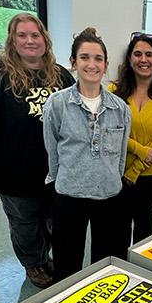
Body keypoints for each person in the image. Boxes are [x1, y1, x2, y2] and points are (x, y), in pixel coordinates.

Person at [0, 13, 75, 288]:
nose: (29, 41)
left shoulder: (60, 75)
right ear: (12, 41)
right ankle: (34, 263)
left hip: (55, 172)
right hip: (15, 175)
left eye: (35, 35)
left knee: (52, 220)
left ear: (44, 40)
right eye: (22, 35)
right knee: (25, 224)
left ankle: (45, 256)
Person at [45, 27, 130, 282]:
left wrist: (112, 179)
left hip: (108, 193)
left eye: (98, 59)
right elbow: (52, 150)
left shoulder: (120, 108)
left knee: (106, 262)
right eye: (84, 57)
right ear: (73, 62)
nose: (91, 64)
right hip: (70, 193)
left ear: (105, 65)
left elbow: (121, 155)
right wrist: (59, 181)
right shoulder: (58, 104)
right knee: (66, 261)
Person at [111, 32, 152, 244]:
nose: (143, 59)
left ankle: (140, 267)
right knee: (119, 223)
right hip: (118, 172)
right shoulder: (114, 92)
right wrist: (140, 152)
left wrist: (136, 170)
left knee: (143, 222)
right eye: (137, 54)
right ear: (129, 59)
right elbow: (112, 132)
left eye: (149, 55)